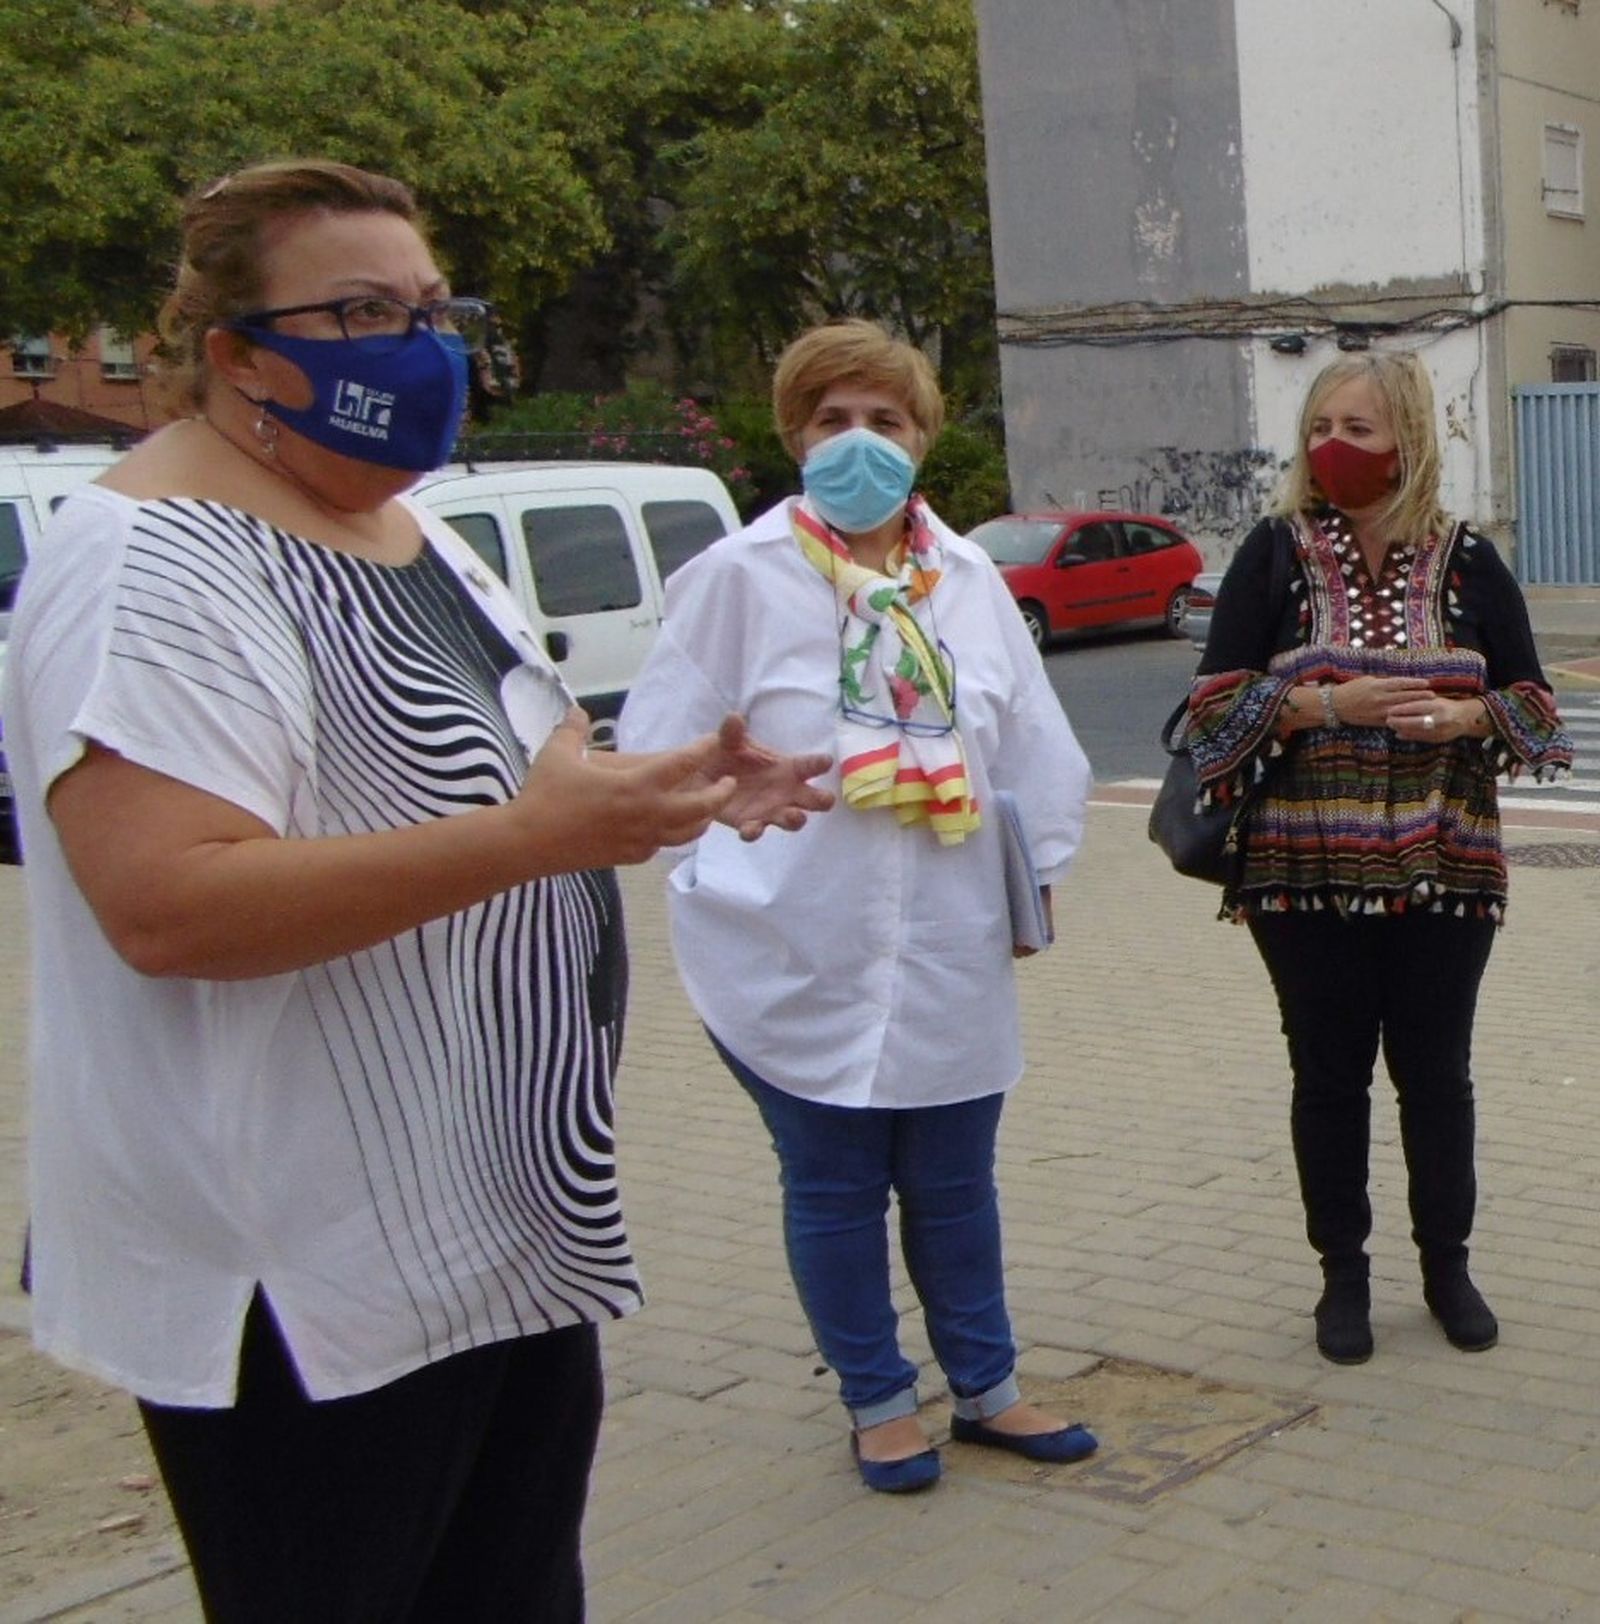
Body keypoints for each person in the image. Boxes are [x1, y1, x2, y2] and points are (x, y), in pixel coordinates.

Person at [0, 159, 832, 1623]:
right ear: (235, 352)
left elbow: (532, 766)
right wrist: (538, 842)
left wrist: (662, 780)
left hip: (499, 1223)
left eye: (434, 306)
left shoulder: (414, 527)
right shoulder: (152, 564)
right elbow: (170, 907)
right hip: (307, 1278)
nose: (422, 343)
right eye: (364, 309)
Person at [618, 319, 1097, 1493]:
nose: (859, 443)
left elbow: (1034, 747)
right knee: (833, 1184)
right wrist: (715, 812)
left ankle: (986, 1387)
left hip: (947, 943)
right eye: (832, 419)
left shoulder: (972, 584)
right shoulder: (739, 578)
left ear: (923, 436)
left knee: (953, 1181)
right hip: (792, 938)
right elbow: (654, 747)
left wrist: (1034, 887)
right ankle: (878, 1399)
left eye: (884, 421)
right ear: (793, 435)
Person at [1187, 351, 1573, 1365]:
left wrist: (1462, 717)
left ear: (1406, 440)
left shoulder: (1472, 562)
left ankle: (1446, 1266)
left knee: (1436, 1077)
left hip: (1446, 872)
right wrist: (1322, 703)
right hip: (1299, 876)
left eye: (1357, 430)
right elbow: (1211, 711)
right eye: (1321, 426)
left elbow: (1537, 714)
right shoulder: (1272, 554)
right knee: (1328, 1078)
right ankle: (1342, 1277)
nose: (1331, 448)